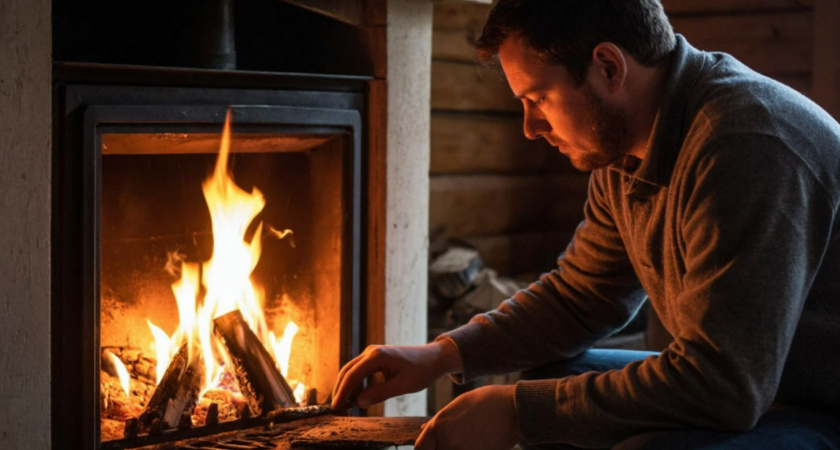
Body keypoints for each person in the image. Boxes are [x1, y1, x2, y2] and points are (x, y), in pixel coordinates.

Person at [331, 0, 840, 448]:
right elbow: (581, 298)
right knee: (551, 379)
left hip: (816, 405)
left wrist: (517, 413)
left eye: (538, 99)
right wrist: (442, 354)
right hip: (757, 387)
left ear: (608, 67)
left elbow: (725, 385)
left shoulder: (746, 145)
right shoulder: (626, 148)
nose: (530, 128)